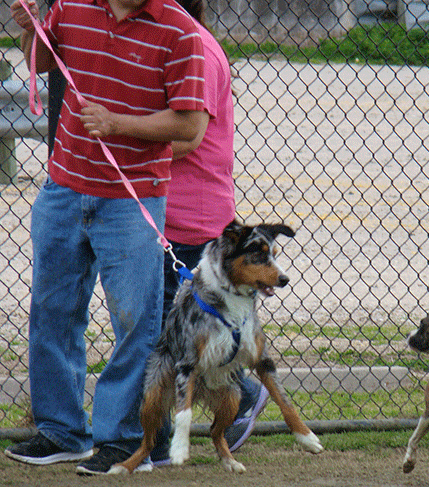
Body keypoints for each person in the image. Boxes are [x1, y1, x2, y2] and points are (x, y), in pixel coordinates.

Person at [6, 0, 206, 475]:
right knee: (52, 308)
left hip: (133, 197)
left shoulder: (180, 33)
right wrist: (29, 30)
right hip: (64, 187)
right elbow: (40, 60)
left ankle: (123, 440)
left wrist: (119, 125)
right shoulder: (71, 7)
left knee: (137, 320)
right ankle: (60, 430)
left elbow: (190, 125)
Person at [149, 0, 269, 465]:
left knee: (175, 334)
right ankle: (237, 395)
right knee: (179, 332)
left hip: (190, 218)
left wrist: (117, 136)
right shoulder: (179, 42)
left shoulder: (194, 46)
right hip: (167, 210)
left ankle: (232, 401)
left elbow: (186, 134)